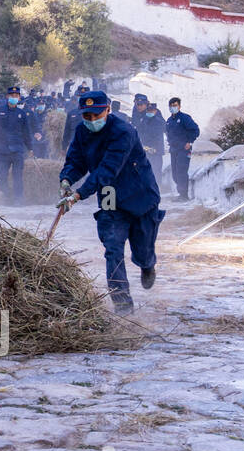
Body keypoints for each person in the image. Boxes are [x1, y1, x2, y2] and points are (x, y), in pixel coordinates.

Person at [57, 90, 165, 314]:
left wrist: (78, 195)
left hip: (139, 194)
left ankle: (147, 264)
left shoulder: (123, 131)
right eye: (87, 116)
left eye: (97, 115)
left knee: (142, 249)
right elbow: (76, 160)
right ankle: (123, 304)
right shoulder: (81, 131)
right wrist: (66, 179)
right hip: (109, 197)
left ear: (107, 110)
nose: (92, 121)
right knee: (112, 247)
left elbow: (108, 169)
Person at [0, 85, 32, 203]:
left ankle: (18, 199)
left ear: (19, 98)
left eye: (16, 95)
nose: (14, 97)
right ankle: (8, 195)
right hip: (2, 150)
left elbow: (26, 132)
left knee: (17, 176)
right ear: (7, 96)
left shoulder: (22, 113)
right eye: (11, 95)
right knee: (1, 176)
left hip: (17, 149)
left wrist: (30, 148)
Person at [165, 96, 201, 200]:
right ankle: (181, 193)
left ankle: (184, 195)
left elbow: (195, 130)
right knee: (175, 174)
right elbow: (168, 133)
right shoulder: (169, 120)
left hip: (184, 149)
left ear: (179, 106)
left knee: (181, 171)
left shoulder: (185, 118)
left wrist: (190, 142)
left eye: (175, 105)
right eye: (171, 106)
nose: (173, 107)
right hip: (174, 150)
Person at [139, 101, 166, 177]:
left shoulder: (159, 121)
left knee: (156, 170)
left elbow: (158, 136)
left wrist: (155, 148)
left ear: (155, 111)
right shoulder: (144, 120)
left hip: (156, 151)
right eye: (148, 110)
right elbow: (140, 133)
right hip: (146, 150)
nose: (149, 112)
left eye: (151, 110)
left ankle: (158, 187)